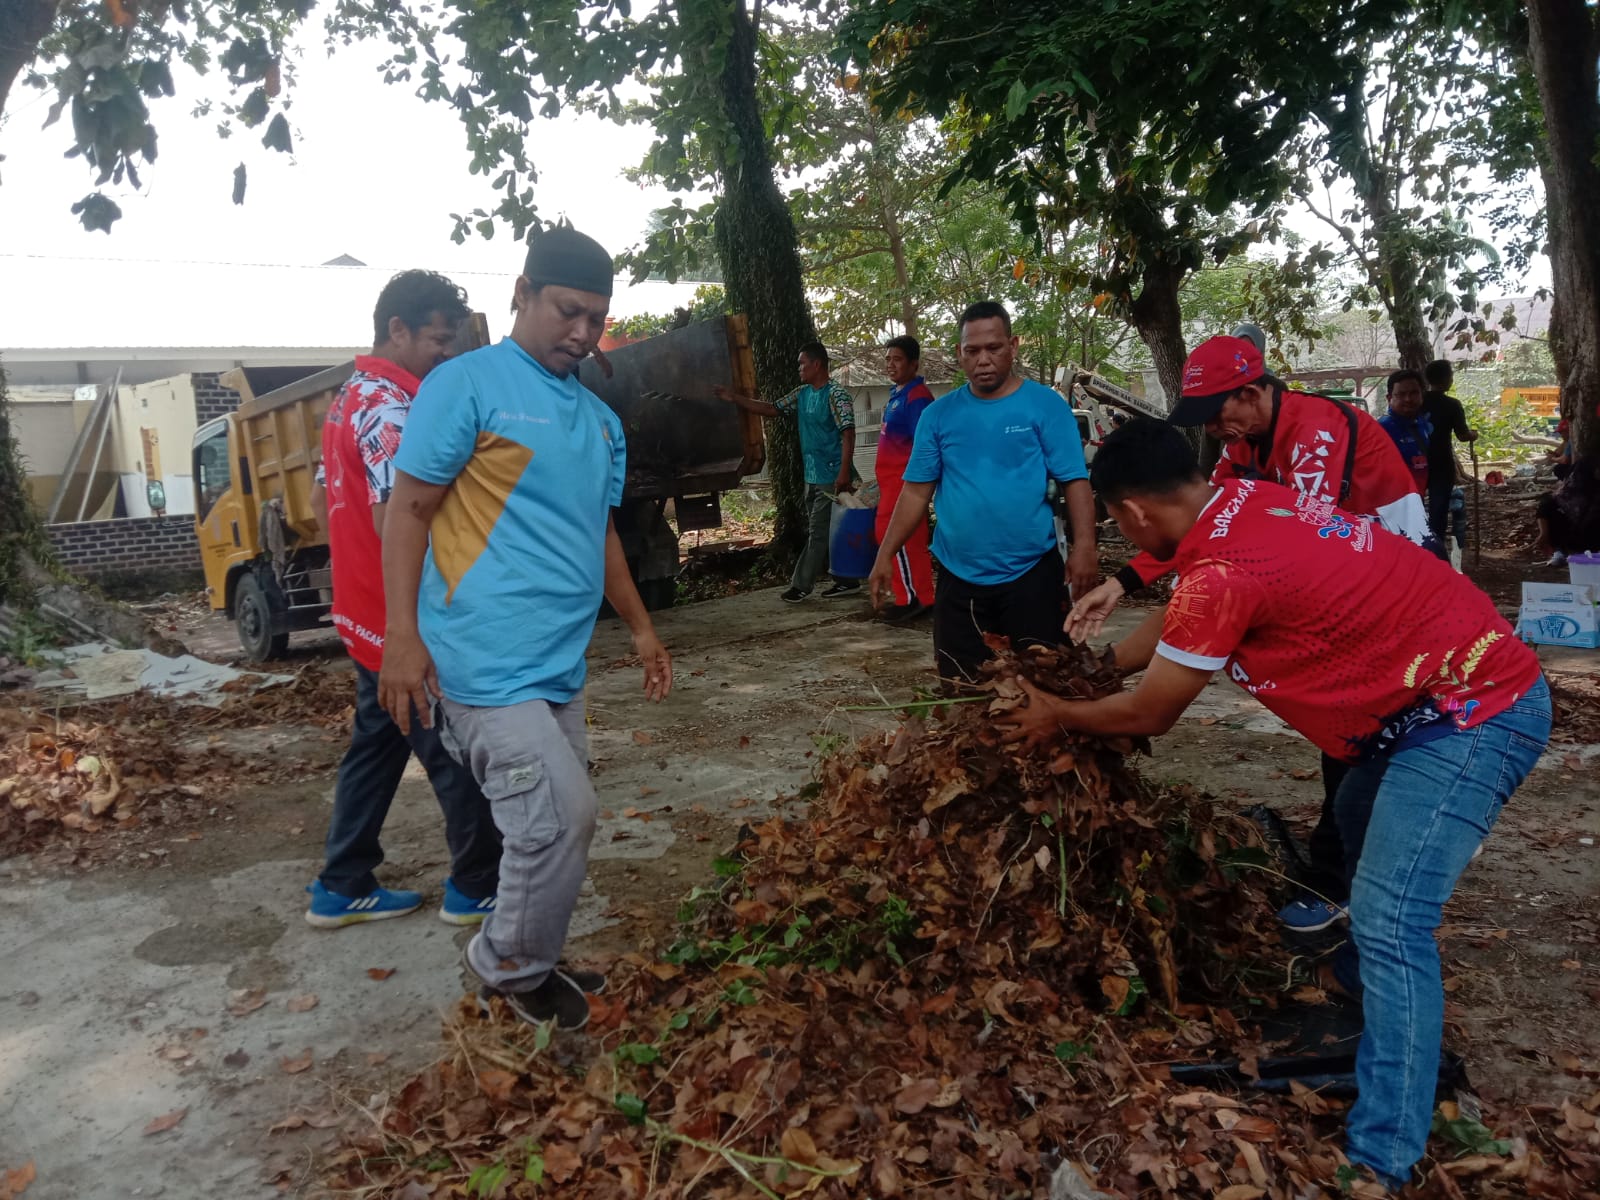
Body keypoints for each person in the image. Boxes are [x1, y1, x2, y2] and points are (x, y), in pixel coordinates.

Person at [1000, 418, 1550, 1195]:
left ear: (1130, 515)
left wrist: (1056, 712)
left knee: (1395, 918)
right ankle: (1370, 991)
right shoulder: (1244, 499)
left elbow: (1151, 712)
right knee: (1358, 827)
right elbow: (1181, 611)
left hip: (1474, 712)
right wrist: (1088, 669)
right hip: (1419, 698)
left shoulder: (1227, 572)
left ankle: (1382, 1157)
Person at [379, 227, 674, 1031]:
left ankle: (529, 955)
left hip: (558, 666)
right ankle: (504, 968)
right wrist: (400, 636)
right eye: (567, 312)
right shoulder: (465, 386)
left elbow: (600, 536)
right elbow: (407, 511)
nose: (582, 333)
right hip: (481, 661)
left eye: (596, 319)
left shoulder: (600, 423)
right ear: (522, 292)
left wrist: (641, 629)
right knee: (559, 817)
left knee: (541, 827)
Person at [1069, 335, 1431, 933]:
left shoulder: (1318, 431)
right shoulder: (1243, 448)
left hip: (1381, 595)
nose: (1215, 428)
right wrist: (1122, 583)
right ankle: (1354, 874)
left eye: (1219, 412)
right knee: (1349, 741)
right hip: (1330, 597)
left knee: (1367, 730)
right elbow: (1201, 519)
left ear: (1252, 391)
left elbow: (1284, 543)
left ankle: (1356, 886)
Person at [304, 270, 504, 929]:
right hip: (401, 621)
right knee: (451, 746)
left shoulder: (349, 399)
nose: (446, 354)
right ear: (398, 330)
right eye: (438, 341)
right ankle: (478, 885)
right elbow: (401, 517)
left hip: (364, 614)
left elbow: (317, 502)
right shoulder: (393, 407)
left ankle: (342, 881)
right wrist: (410, 630)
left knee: (378, 745)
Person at [868, 300, 1098, 682]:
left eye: (994, 348)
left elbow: (1075, 480)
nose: (984, 360)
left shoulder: (1044, 407)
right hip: (959, 579)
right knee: (961, 686)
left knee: (1046, 682)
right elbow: (915, 493)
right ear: (959, 354)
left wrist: (1086, 548)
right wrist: (884, 555)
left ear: (1013, 345)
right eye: (972, 351)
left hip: (1032, 573)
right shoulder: (938, 416)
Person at [715, 344, 859, 603]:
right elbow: (772, 408)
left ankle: (801, 585)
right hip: (812, 475)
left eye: (802, 363)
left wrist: (843, 473)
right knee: (828, 530)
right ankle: (847, 580)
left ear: (817, 365)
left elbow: (848, 432)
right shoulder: (802, 394)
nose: (799, 368)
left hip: (833, 475)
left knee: (818, 530)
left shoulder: (837, 395)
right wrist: (735, 398)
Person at [873, 335, 937, 620]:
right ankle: (919, 595)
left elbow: (923, 445)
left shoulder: (917, 397)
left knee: (897, 538)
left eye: (897, 359)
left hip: (904, 485)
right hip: (889, 483)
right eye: (888, 359)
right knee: (905, 539)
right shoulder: (898, 393)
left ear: (914, 363)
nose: (890, 364)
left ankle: (911, 598)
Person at [1420, 359, 1478, 544]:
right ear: (1446, 379)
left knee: (1415, 501)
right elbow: (1462, 435)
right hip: (1441, 462)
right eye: (1451, 375)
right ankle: (1436, 544)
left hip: (1417, 459)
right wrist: (1473, 435)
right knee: (1439, 507)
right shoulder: (1452, 404)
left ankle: (1416, 540)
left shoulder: (1418, 400)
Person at [1377, 369, 1436, 509]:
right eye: (1401, 394)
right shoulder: (1383, 428)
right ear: (1389, 397)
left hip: (1416, 499)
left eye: (1413, 393)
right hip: (1391, 506)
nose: (1408, 399)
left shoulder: (1422, 423)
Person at [1535, 455, 1600, 566]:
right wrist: (1544, 534)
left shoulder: (1566, 494)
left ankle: (1561, 551)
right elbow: (1545, 506)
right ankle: (1560, 551)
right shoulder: (1563, 497)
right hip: (1578, 540)